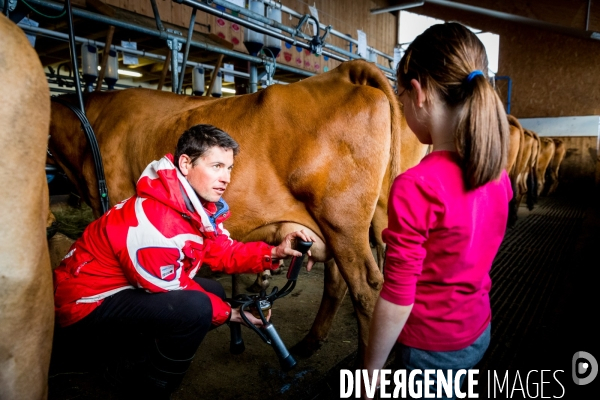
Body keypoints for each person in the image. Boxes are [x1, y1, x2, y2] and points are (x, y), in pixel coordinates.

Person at [53, 124, 315, 398]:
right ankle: (149, 385)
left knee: (212, 292)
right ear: (185, 163)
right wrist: (232, 314)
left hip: (114, 289)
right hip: (81, 310)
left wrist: (272, 253)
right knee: (197, 307)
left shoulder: (188, 206)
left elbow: (222, 251)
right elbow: (168, 290)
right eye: (216, 166)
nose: (225, 178)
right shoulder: (159, 225)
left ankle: (139, 355)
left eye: (229, 168)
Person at [364, 23, 512, 399]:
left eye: (399, 99)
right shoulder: (498, 176)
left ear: (418, 93)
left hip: (431, 351)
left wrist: (371, 371)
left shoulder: (417, 185)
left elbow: (398, 295)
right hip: (477, 329)